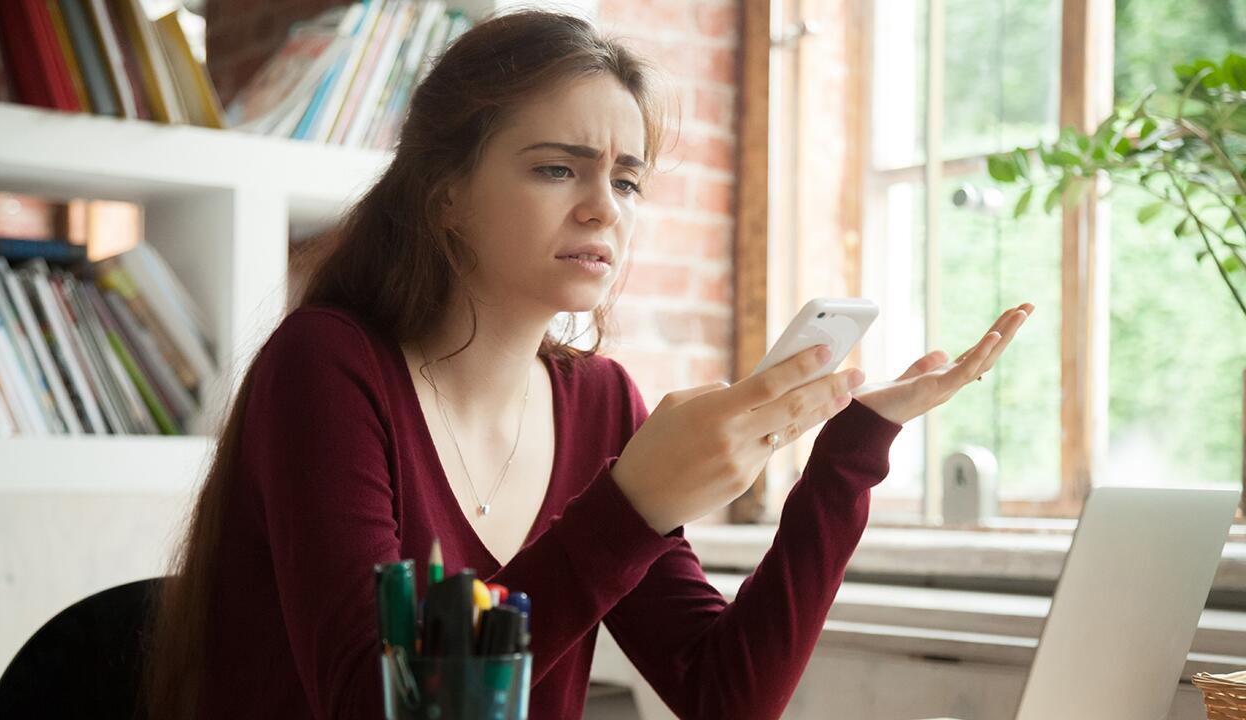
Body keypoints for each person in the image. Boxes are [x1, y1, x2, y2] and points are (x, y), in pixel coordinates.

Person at [143, 8, 1032, 720]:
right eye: (558, 170)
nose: (605, 208)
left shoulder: (601, 402)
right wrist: (632, 507)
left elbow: (724, 693)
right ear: (445, 194)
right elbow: (376, 704)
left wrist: (848, 457)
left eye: (628, 180)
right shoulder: (327, 368)